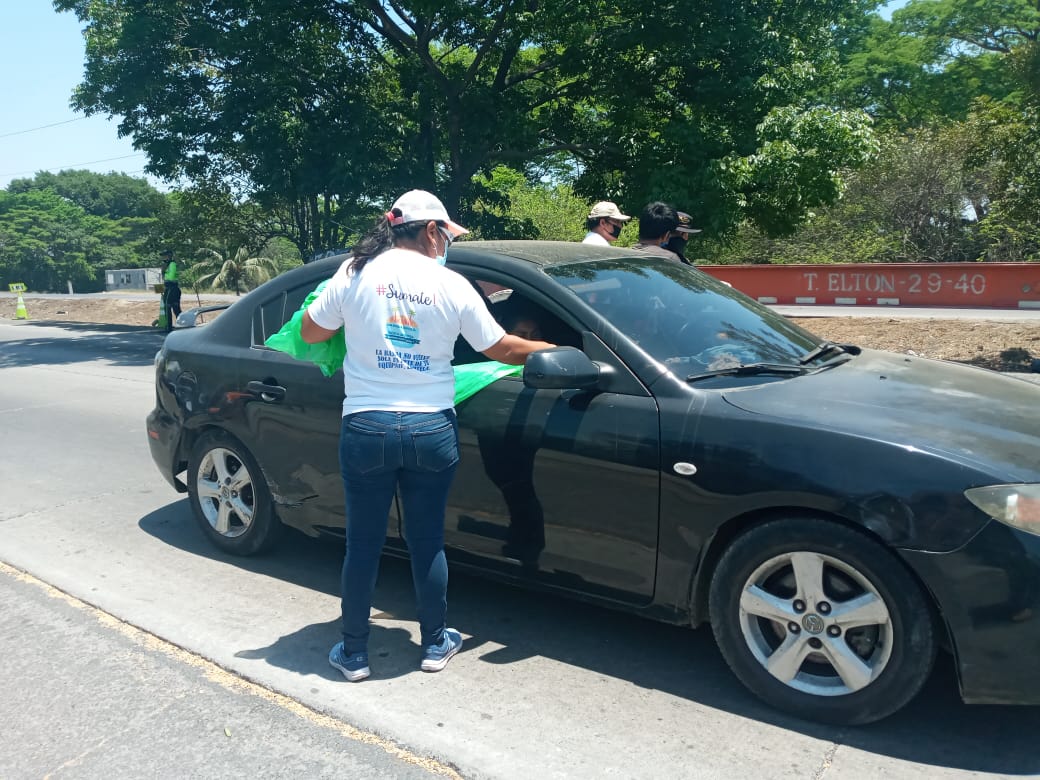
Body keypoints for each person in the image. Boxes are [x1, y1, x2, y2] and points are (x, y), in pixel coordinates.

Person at [300, 189, 556, 682]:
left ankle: (353, 653)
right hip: (430, 427)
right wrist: (553, 348)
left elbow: (312, 333)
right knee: (426, 542)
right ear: (431, 230)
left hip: (367, 424)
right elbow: (499, 347)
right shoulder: (450, 283)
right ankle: (435, 643)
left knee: (363, 544)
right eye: (445, 233)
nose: (447, 243)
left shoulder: (355, 271)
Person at [160, 249, 181, 332]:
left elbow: (171, 278)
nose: (162, 258)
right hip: (172, 288)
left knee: (168, 307)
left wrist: (164, 271)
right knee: (176, 308)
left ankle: (169, 327)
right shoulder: (168, 264)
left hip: (171, 289)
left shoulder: (171, 264)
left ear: (169, 256)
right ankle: (182, 325)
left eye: (164, 255)